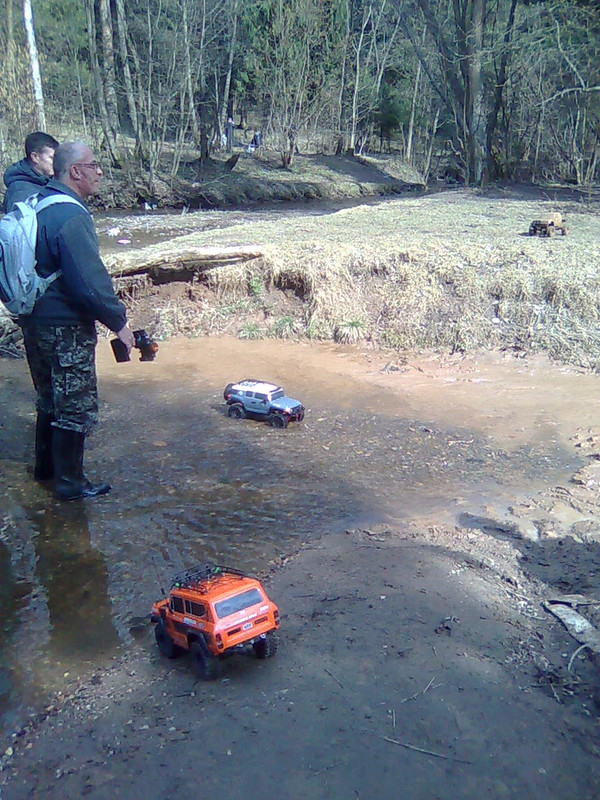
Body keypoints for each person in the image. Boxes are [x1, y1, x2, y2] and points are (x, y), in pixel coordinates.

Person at [20, 141, 135, 501]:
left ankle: (45, 471)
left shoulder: (38, 203)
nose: (100, 172)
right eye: (94, 165)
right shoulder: (71, 215)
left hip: (34, 322)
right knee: (75, 406)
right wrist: (119, 322)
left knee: (48, 398)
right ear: (75, 171)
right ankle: (71, 484)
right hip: (65, 328)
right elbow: (88, 282)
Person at [3, 131, 59, 212]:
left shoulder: (50, 182)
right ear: (35, 157)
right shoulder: (21, 192)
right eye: (52, 158)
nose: (56, 162)